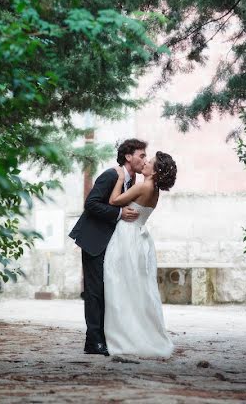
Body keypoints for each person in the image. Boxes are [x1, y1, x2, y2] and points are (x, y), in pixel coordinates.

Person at [68, 139, 146, 356]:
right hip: (94, 240)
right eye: (142, 155)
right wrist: (120, 214)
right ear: (128, 156)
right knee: (95, 292)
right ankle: (93, 342)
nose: (144, 160)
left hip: (111, 243)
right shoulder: (112, 175)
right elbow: (91, 203)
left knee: (107, 290)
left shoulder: (132, 180)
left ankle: (103, 339)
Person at [103, 151, 177, 358]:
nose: (145, 163)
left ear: (155, 171)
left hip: (127, 237)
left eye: (149, 162)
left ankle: (126, 337)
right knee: (139, 289)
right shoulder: (154, 190)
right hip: (140, 239)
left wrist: (119, 178)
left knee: (119, 285)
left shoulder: (143, 186)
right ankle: (143, 334)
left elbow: (114, 200)